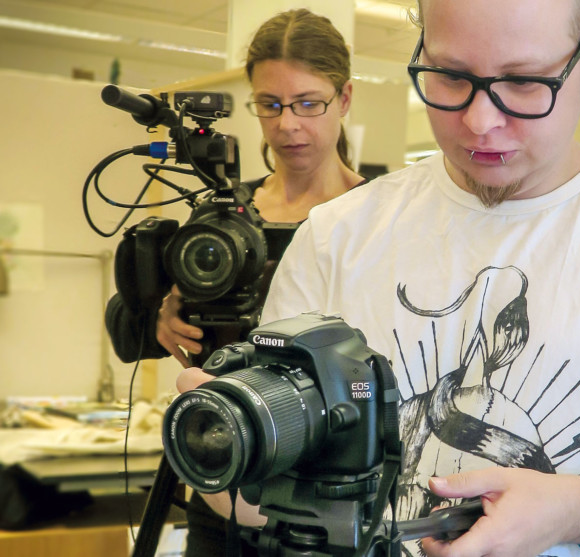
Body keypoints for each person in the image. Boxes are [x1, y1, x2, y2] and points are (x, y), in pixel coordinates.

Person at [178, 0, 580, 556]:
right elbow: (261, 500)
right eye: (448, 76)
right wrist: (228, 450)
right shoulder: (335, 236)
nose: (480, 122)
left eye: (523, 81)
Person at [105, 8, 365, 555]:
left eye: (307, 104)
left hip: (331, 485)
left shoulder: (379, 214)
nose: (288, 124)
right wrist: (161, 321)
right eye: (269, 105)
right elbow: (127, 319)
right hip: (222, 469)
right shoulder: (224, 214)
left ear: (344, 98)